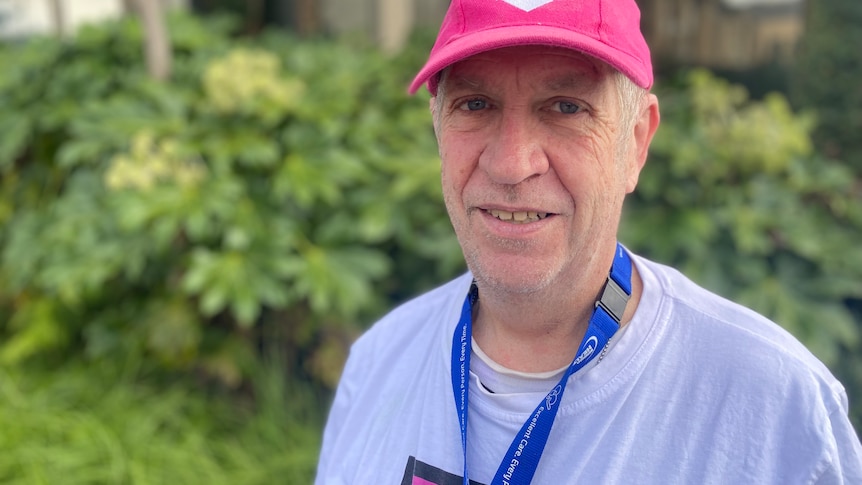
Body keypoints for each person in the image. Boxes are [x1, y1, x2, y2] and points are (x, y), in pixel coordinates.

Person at [315, 0, 862, 483]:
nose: (511, 164)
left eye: (566, 107)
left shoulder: (774, 406)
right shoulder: (377, 362)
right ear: (438, 129)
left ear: (637, 142)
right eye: (475, 104)